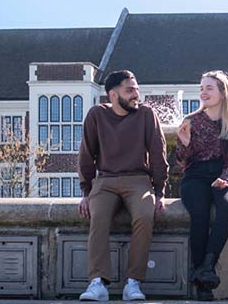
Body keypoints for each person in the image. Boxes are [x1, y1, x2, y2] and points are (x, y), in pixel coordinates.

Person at [77, 70, 169, 302]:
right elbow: (86, 155)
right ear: (113, 94)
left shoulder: (147, 114)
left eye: (137, 89)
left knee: (144, 216)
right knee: (97, 217)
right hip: (105, 180)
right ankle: (98, 283)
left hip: (139, 179)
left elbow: (159, 154)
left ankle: (133, 282)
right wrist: (86, 192)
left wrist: (160, 192)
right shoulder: (97, 114)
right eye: (129, 90)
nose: (136, 95)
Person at [175, 70, 228, 301]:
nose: (204, 92)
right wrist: (184, 144)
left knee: (227, 207)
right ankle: (203, 282)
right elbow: (180, 161)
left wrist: (226, 177)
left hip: (224, 175)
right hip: (195, 176)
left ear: (223, 93)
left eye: (209, 88)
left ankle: (206, 267)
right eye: (202, 88)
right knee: (201, 213)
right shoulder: (191, 121)